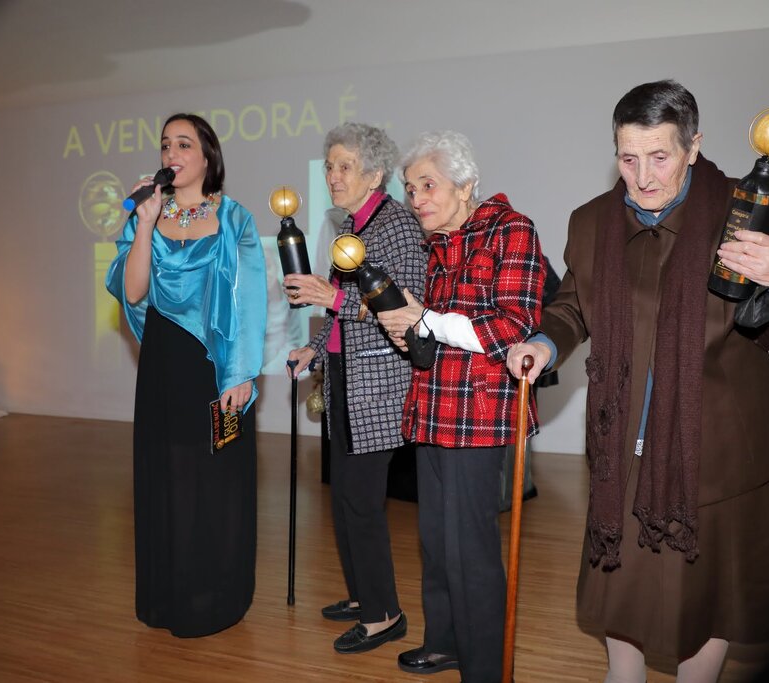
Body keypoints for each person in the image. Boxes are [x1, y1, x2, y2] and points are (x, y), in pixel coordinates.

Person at [506, 80, 769, 682]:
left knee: (708, 593)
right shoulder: (592, 222)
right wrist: (544, 344)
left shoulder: (744, 215)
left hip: (717, 447)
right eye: (628, 159)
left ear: (693, 146)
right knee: (620, 577)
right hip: (624, 441)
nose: (644, 176)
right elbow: (572, 307)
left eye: (660, 156)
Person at [378, 130, 545, 683]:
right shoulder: (437, 246)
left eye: (428, 184)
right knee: (435, 542)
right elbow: (440, 334)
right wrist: (411, 331)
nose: (416, 197)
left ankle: (486, 667)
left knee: (469, 549)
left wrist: (426, 320)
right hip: (432, 409)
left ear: (466, 184)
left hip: (480, 416)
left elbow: (512, 326)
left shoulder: (511, 229)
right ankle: (445, 642)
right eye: (410, 189)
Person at [106, 113, 266, 638]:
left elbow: (248, 302)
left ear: (206, 156)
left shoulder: (234, 218)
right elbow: (132, 292)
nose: (171, 154)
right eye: (165, 145)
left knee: (215, 480)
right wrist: (145, 221)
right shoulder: (148, 214)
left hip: (215, 365)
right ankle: (169, 594)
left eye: (183, 144)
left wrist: (240, 374)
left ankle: (216, 596)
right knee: (167, 476)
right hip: (163, 360)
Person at [285, 122, 426, 655]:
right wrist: (314, 351)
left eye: (345, 166)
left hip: (381, 384)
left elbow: (405, 308)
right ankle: (365, 593)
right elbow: (341, 316)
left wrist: (331, 298)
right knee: (345, 498)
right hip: (346, 378)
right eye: (329, 166)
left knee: (362, 502)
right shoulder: (352, 225)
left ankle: (383, 615)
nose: (333, 176)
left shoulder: (398, 225)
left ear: (375, 173)